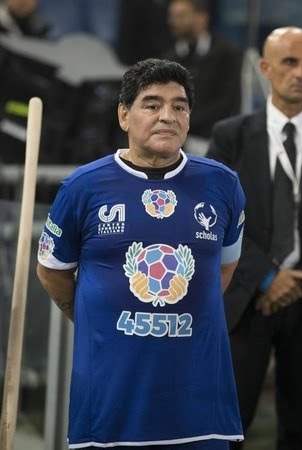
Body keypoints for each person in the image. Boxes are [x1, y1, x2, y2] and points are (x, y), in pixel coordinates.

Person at [36, 58, 246, 449]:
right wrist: (95, 319)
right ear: (124, 115)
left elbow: (224, 267)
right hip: (109, 401)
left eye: (179, 106)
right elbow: (51, 271)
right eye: (152, 104)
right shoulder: (83, 187)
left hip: (200, 403)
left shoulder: (223, 184)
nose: (168, 116)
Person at [205, 27, 302, 449]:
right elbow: (213, 217)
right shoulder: (230, 136)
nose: (300, 73)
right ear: (265, 68)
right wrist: (268, 278)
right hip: (246, 299)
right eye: (290, 62)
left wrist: (296, 280)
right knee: (226, 425)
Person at [163, 0, 242, 151]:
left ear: (202, 18)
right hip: (175, 141)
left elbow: (229, 101)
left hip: (213, 140)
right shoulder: (168, 57)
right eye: (172, 16)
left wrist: (187, 120)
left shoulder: (227, 54)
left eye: (181, 16)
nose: (173, 21)